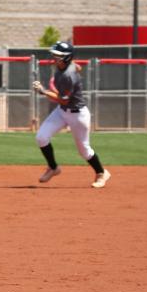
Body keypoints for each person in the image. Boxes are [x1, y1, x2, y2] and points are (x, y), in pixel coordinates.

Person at [32, 41, 111, 188]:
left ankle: (101, 173)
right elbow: (77, 66)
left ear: (66, 58)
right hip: (62, 112)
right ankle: (54, 168)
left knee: (84, 151)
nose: (54, 58)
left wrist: (43, 91)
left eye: (58, 56)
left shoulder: (68, 76)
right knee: (41, 137)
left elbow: (62, 100)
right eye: (54, 55)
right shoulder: (66, 67)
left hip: (77, 115)